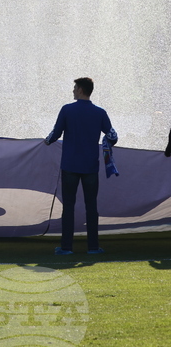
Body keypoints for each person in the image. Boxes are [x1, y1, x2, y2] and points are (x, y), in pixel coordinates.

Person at [44, 77, 118, 255]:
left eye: (75, 88)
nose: (73, 90)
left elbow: (55, 133)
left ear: (80, 90)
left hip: (70, 165)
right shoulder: (100, 112)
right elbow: (113, 136)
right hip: (91, 166)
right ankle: (93, 247)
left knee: (68, 206)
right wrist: (106, 143)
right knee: (91, 206)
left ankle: (66, 247)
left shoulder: (67, 109)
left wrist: (46, 141)